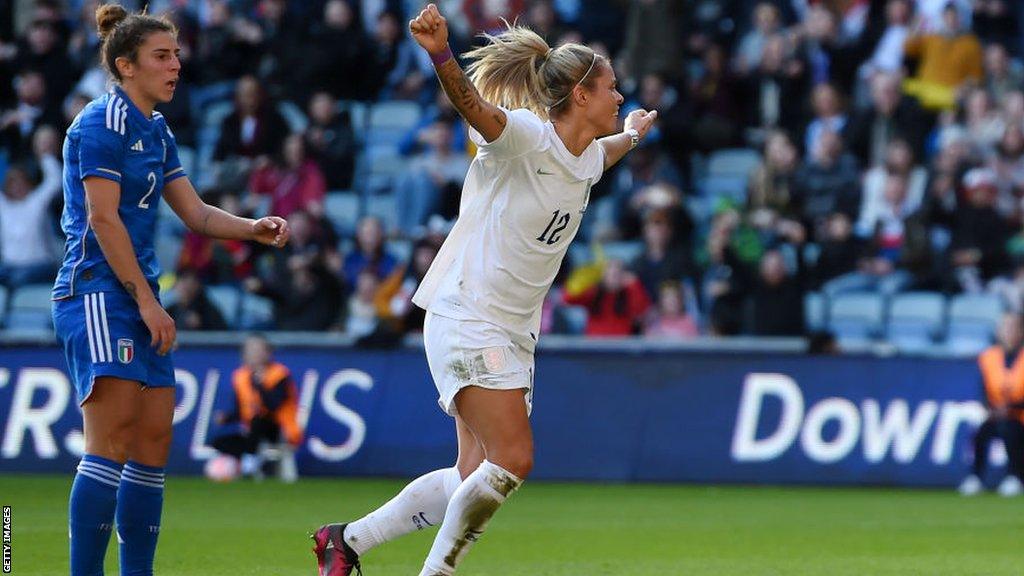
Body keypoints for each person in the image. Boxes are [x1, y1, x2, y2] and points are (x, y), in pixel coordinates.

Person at [311, 4, 657, 576]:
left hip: (511, 327)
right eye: (611, 88)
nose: (619, 96)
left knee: (472, 474)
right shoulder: (523, 138)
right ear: (578, 96)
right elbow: (471, 105)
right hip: (469, 312)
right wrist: (441, 53)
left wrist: (633, 134)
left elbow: (608, 152)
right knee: (514, 458)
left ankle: (345, 541)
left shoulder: (589, 156)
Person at [51, 6, 290, 576]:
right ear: (125, 65)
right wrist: (148, 301)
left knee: (153, 444)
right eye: (162, 55)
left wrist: (251, 228)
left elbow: (198, 213)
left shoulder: (156, 128)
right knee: (108, 443)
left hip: (136, 299)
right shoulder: (100, 123)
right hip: (98, 295)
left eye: (177, 54)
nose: (176, 65)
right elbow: (104, 221)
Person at [211, 334, 302, 480]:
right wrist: (227, 418)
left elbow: (274, 405)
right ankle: (249, 462)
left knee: (258, 421)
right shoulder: (240, 376)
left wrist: (260, 385)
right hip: (252, 431)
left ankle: (250, 464)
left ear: (268, 353)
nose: (253, 355)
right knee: (218, 442)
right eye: (250, 351)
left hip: (279, 428)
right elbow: (242, 410)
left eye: (257, 350)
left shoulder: (279, 374)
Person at [959, 313, 1024, 497]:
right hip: (998, 414)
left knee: (1011, 432)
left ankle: (1015, 477)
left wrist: (1012, 407)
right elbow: (983, 389)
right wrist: (990, 408)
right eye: (1005, 327)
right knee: (981, 433)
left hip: (1019, 417)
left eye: (1014, 328)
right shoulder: (989, 357)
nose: (1009, 332)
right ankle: (975, 478)